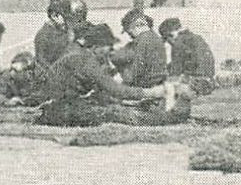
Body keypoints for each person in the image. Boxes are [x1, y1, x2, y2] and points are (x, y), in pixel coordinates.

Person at [38, 23, 167, 126]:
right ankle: (163, 119)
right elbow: (115, 89)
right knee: (113, 113)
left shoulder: (78, 54)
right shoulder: (84, 60)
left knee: (109, 105)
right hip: (61, 109)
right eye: (108, 46)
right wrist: (153, 93)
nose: (111, 50)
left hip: (56, 107)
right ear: (96, 46)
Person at [111, 8, 168, 88]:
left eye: (129, 32)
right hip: (159, 82)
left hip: (147, 85)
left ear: (136, 26)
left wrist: (123, 79)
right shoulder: (155, 37)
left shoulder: (142, 40)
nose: (130, 36)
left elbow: (136, 70)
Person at [159, 18, 217, 95]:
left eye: (166, 39)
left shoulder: (178, 43)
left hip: (195, 84)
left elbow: (176, 70)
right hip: (209, 82)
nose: (168, 43)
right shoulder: (197, 38)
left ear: (170, 34)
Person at [34, 0, 72, 68]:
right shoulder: (43, 35)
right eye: (65, 17)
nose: (68, 21)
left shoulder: (65, 30)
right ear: (54, 16)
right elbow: (41, 61)